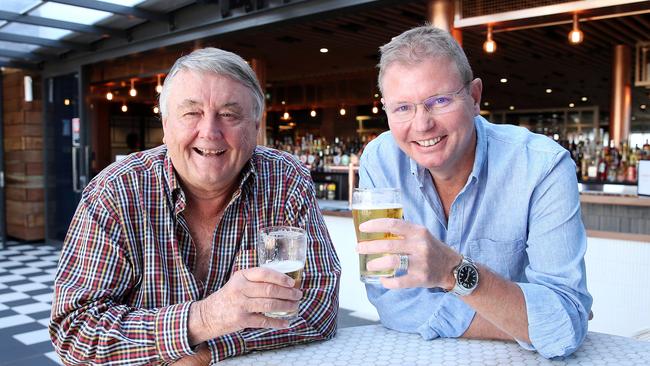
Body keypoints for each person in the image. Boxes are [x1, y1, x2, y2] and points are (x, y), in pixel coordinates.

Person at [50, 48, 341, 365]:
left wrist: (208, 353)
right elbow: (74, 331)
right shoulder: (116, 191)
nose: (210, 132)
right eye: (191, 113)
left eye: (229, 114)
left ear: (256, 126)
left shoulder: (285, 180)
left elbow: (318, 305)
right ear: (165, 124)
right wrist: (204, 318)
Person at [355, 25, 592, 359]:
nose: (422, 125)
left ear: (475, 96)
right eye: (403, 108)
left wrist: (452, 272)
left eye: (438, 101)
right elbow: (389, 299)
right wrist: (524, 321)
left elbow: (562, 326)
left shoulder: (542, 166)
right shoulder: (380, 159)